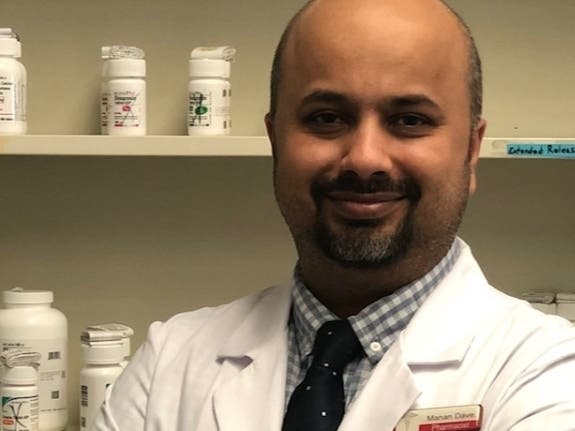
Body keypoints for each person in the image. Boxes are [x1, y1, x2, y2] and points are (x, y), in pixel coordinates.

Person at [92, 0, 575, 430]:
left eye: (409, 120)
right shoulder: (168, 362)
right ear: (275, 142)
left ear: (470, 151)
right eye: (326, 118)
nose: (365, 159)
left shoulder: (550, 373)